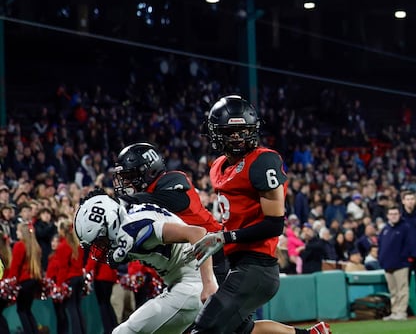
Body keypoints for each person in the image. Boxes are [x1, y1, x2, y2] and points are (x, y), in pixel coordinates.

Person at [191, 95, 323, 334]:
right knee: (243, 331)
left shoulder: (264, 161)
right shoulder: (217, 165)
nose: (237, 137)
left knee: (203, 330)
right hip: (236, 261)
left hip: (257, 266)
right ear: (215, 133)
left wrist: (225, 237)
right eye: (230, 131)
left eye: (243, 131)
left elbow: (274, 225)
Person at [73, 194, 219, 334]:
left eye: (99, 241)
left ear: (110, 224)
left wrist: (208, 284)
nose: (99, 248)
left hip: (192, 286)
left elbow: (197, 233)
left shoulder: (134, 230)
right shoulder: (129, 219)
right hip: (182, 283)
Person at [112, 142, 226, 278]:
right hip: (186, 259)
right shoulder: (143, 201)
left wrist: (132, 200)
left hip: (214, 250)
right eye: (124, 178)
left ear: (149, 171)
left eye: (130, 176)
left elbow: (177, 201)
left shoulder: (172, 179)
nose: (126, 183)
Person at [46, 218, 88, 334]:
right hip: (79, 278)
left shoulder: (63, 246)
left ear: (61, 231)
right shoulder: (77, 244)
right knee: (77, 307)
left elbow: (63, 268)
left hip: (71, 279)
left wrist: (59, 285)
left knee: (72, 308)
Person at [378, 206, 416, 322]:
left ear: (399, 215)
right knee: (393, 291)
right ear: (388, 216)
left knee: (402, 290)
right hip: (387, 265)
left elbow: (409, 245)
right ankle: (394, 312)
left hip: (401, 264)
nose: (393, 216)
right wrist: (382, 260)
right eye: (391, 214)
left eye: (395, 214)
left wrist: (404, 258)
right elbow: (380, 246)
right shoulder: (385, 229)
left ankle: (402, 312)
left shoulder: (405, 228)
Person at [6, 220, 43, 334]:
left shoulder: (19, 245)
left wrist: (11, 282)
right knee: (27, 310)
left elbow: (15, 266)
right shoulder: (35, 246)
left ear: (22, 232)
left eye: (17, 230)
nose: (16, 232)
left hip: (24, 281)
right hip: (34, 280)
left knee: (21, 310)